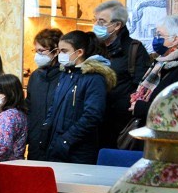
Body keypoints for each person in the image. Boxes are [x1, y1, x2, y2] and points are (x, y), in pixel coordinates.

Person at [44, 31, 114, 164]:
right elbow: (54, 107)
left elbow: (92, 115)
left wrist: (67, 140)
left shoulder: (94, 78)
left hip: (78, 150)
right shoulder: (65, 74)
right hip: (57, 146)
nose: (60, 55)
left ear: (79, 52)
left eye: (64, 51)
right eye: (59, 51)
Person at [90, 0, 152, 148]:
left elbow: (140, 86)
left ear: (117, 25)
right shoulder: (93, 48)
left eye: (102, 21)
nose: (97, 25)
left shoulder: (133, 49)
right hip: (94, 122)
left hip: (120, 123)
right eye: (95, 20)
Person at [126, 15, 178, 134]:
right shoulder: (160, 63)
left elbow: (174, 110)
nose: (156, 38)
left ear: (175, 40)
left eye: (159, 35)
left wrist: (140, 108)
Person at [24, 26, 64, 161]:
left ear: (56, 51)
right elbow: (29, 107)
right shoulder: (35, 76)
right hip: (36, 140)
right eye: (36, 51)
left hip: (57, 142)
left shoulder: (65, 76)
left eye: (41, 51)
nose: (37, 55)